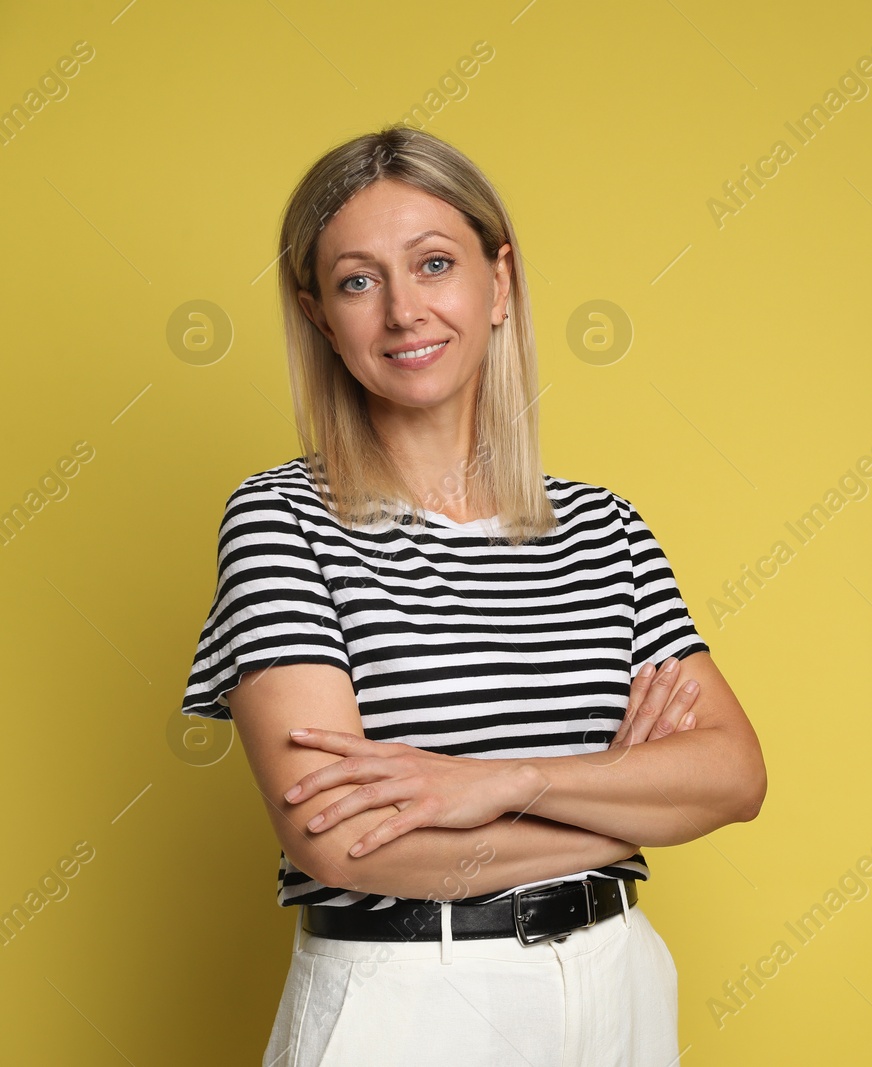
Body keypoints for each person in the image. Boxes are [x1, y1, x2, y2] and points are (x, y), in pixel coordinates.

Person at [178, 125, 766, 1066]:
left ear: (500, 283)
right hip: (414, 1003)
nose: (405, 310)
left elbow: (734, 778)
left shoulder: (602, 527)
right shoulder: (282, 519)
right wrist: (619, 805)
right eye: (359, 280)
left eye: (435, 263)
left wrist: (507, 782)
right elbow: (345, 846)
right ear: (321, 316)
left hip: (617, 983)